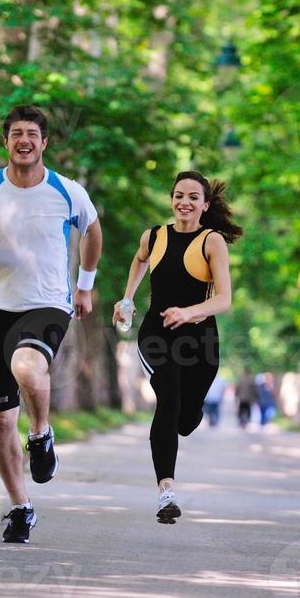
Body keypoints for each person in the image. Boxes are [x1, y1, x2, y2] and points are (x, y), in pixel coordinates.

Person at [0, 106, 102, 543]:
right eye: (16, 134)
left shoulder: (66, 191)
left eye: (32, 134)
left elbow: (92, 231)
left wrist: (84, 288)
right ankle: (20, 507)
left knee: (28, 367)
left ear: (44, 142)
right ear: (6, 141)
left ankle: (40, 432)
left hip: (49, 302)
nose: (24, 141)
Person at [114, 170, 241, 524]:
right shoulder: (154, 235)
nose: (184, 202)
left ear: (205, 205)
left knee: (185, 420)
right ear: (171, 199)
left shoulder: (212, 241)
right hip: (156, 334)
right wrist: (127, 299)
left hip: (200, 342)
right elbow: (140, 259)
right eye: (178, 196)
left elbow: (224, 299)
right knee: (168, 397)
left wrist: (189, 313)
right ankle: (166, 491)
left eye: (193, 197)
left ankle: (190, 412)